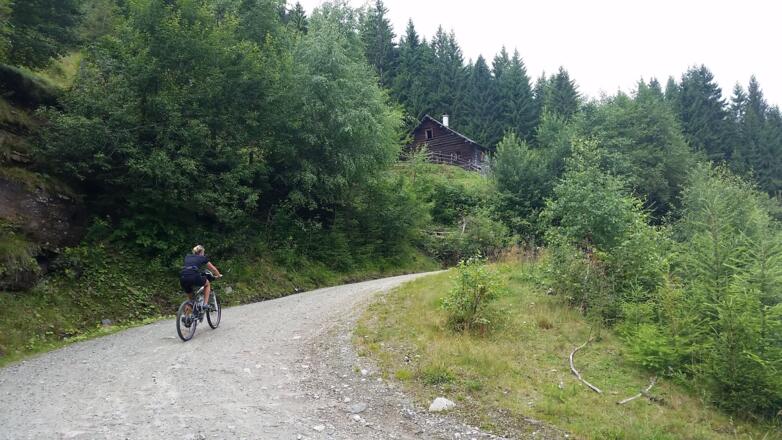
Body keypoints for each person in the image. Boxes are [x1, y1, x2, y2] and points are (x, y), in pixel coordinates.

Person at [179, 244, 222, 312]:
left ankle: (186, 319)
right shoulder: (202, 258)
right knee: (207, 283)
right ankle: (205, 304)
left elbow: (190, 267)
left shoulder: (188, 256)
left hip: (183, 277)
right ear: (201, 252)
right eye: (203, 252)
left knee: (191, 300)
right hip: (193, 276)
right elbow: (213, 269)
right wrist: (219, 275)